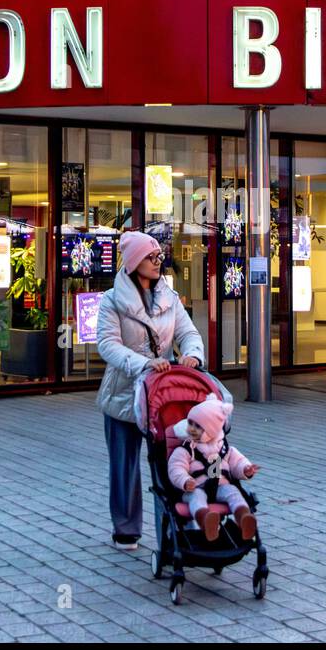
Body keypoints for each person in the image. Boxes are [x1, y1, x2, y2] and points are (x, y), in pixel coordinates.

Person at [95, 231, 204, 550]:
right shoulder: (112, 301)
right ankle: (126, 529)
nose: (158, 263)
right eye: (151, 257)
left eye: (159, 257)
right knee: (124, 465)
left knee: (172, 462)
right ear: (133, 263)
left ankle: (175, 528)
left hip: (163, 395)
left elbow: (188, 332)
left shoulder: (169, 298)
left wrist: (193, 354)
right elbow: (107, 344)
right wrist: (142, 363)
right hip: (124, 395)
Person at [167, 391, 259, 542]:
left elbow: (237, 461)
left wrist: (245, 469)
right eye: (190, 423)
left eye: (198, 426)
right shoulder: (187, 449)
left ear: (211, 430)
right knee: (197, 498)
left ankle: (243, 518)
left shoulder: (224, 449)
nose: (191, 429)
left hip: (219, 487)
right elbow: (176, 467)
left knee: (233, 491)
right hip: (194, 488)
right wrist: (184, 480)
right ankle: (205, 521)